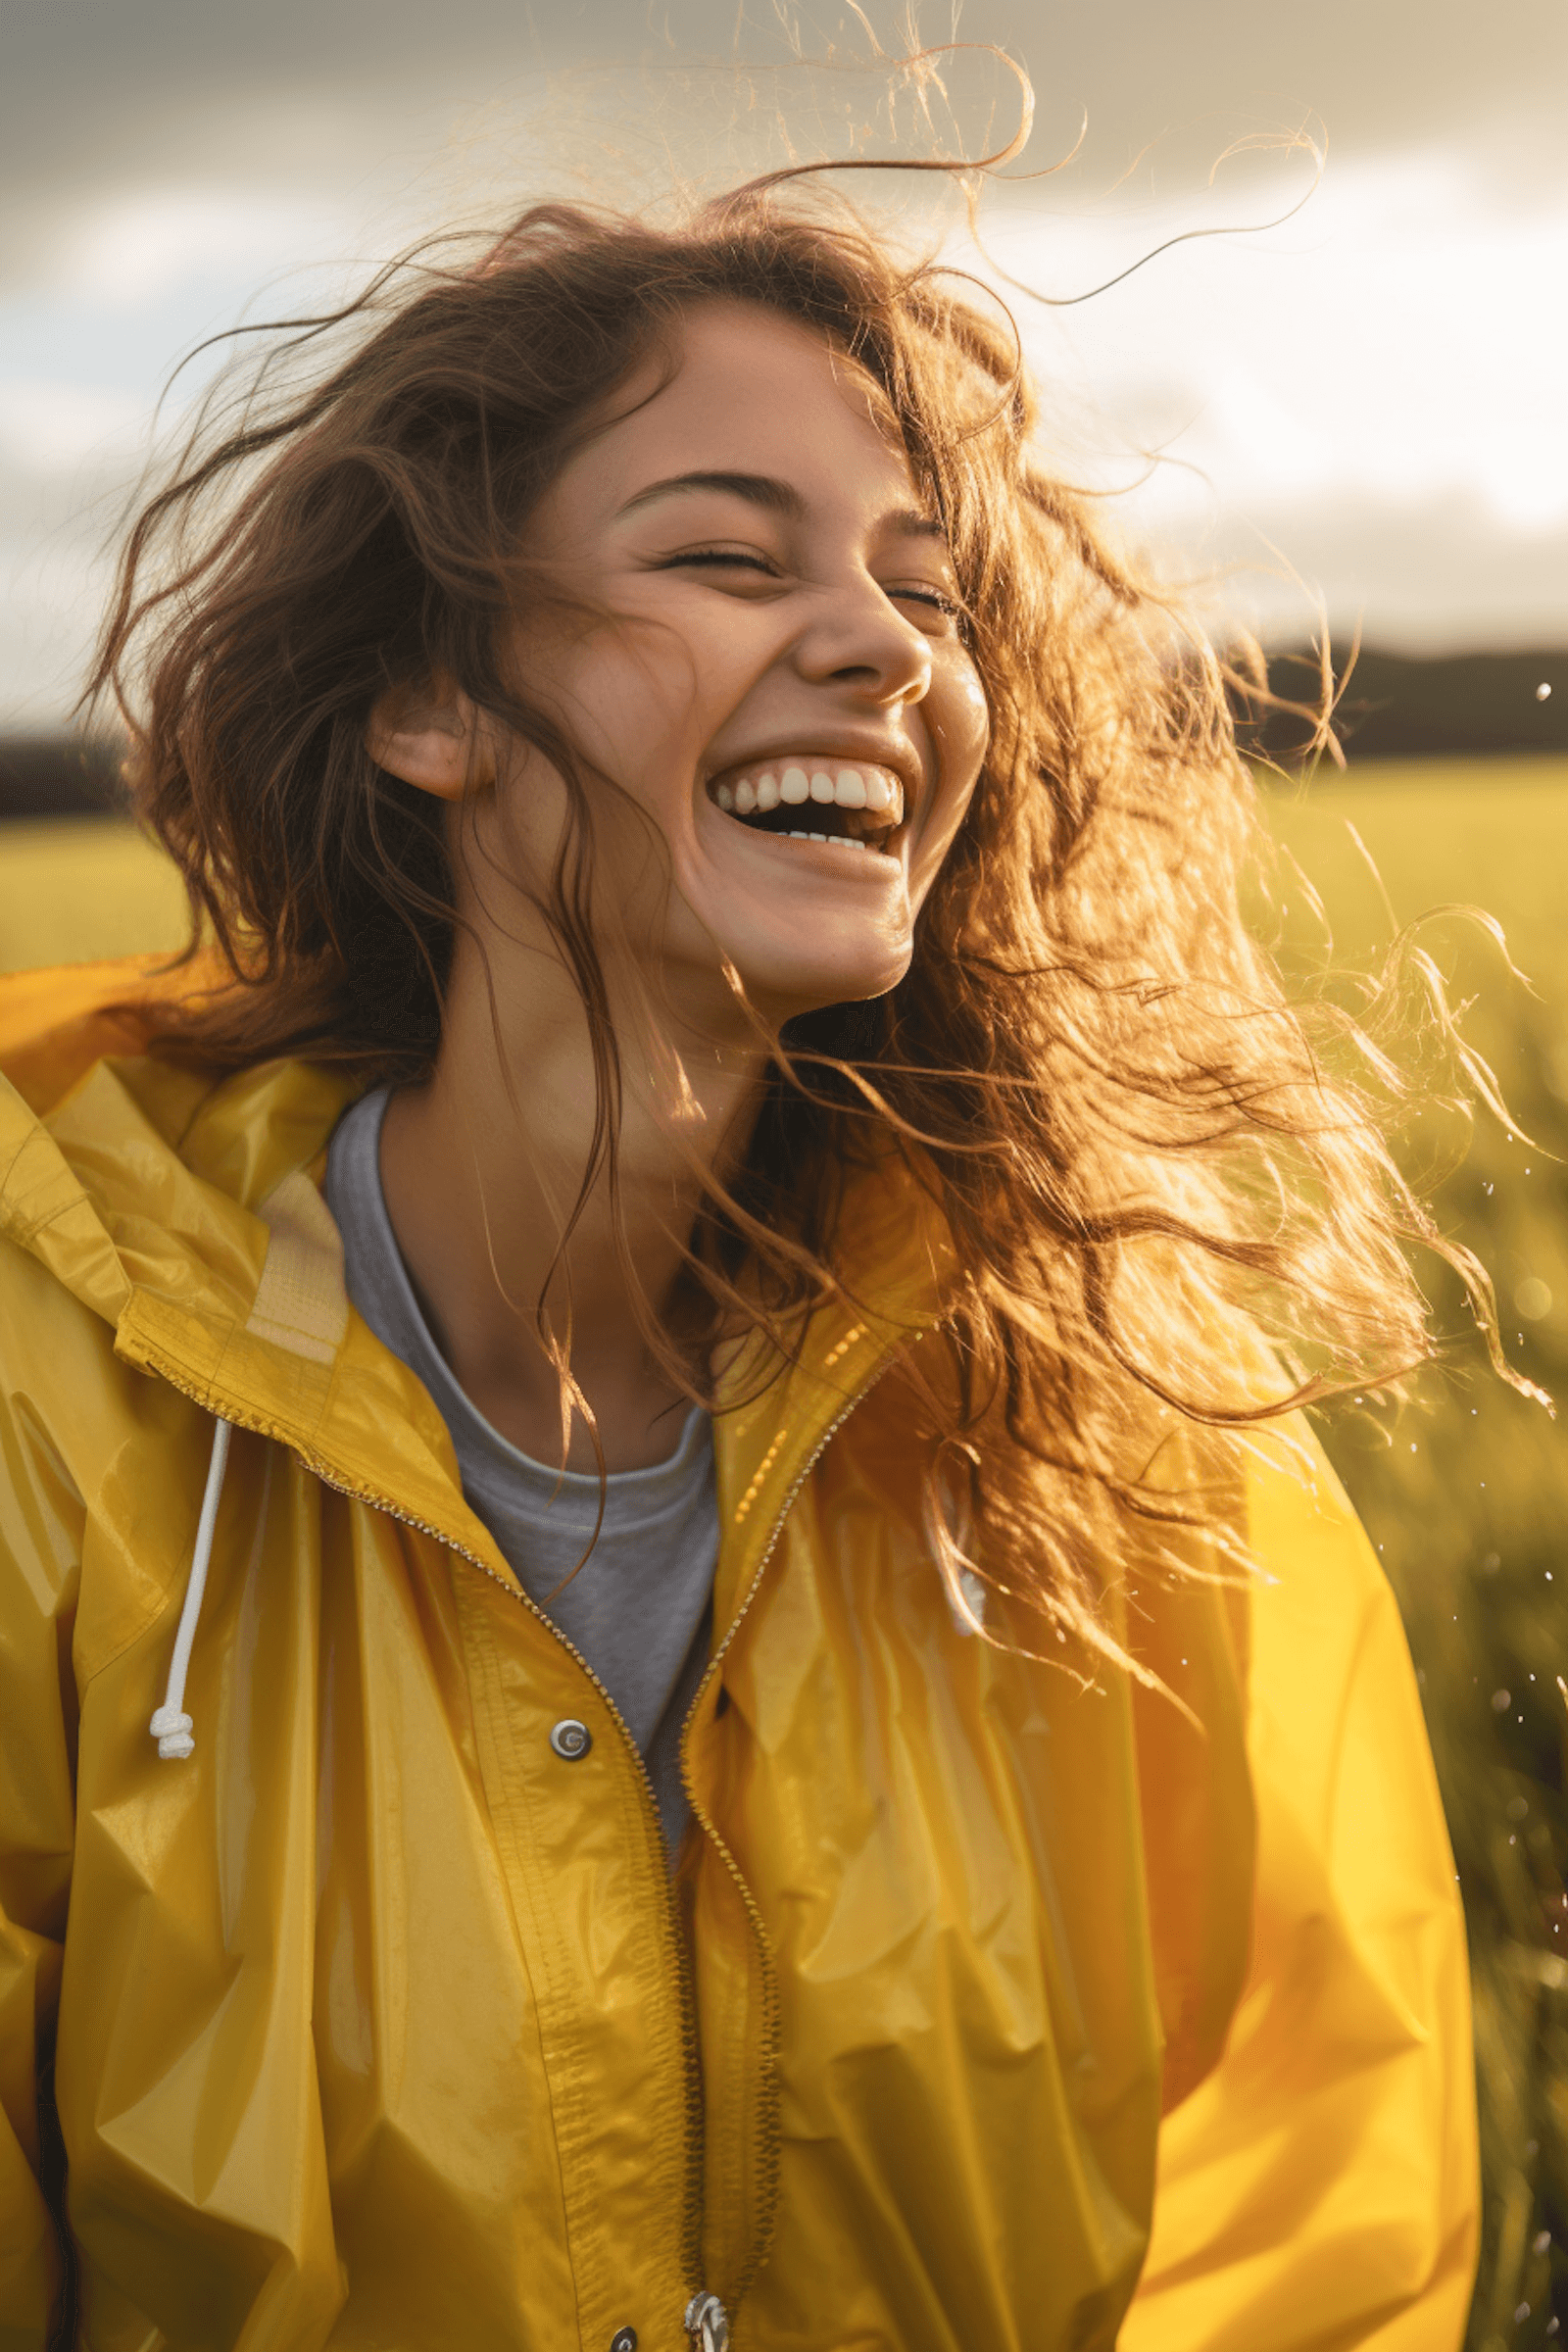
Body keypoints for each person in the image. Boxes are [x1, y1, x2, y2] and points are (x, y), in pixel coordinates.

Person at [0, 176, 1479, 2351]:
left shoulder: (1109, 1457)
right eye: (720, 555)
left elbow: (1300, 2241)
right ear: (433, 700)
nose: (886, 644)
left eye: (925, 588)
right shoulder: (49, 1412)